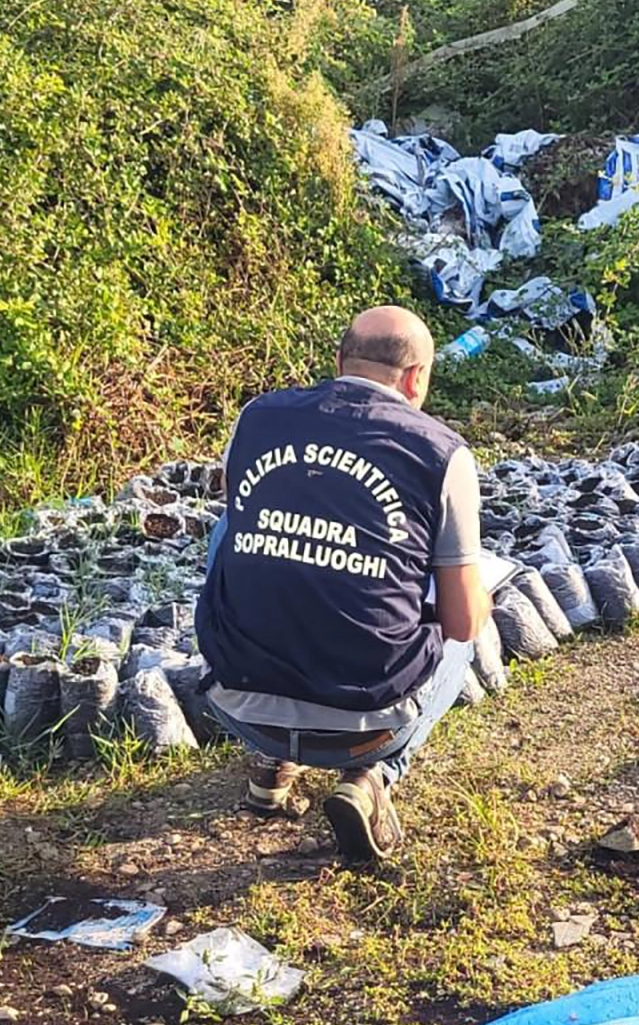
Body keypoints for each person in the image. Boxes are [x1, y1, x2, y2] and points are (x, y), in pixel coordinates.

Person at [195, 305, 491, 860]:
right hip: (366, 728)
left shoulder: (258, 416)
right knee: (467, 626)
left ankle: (273, 762)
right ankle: (374, 778)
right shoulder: (442, 452)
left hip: (241, 706)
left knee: (231, 528)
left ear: (339, 362)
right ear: (416, 378)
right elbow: (460, 622)